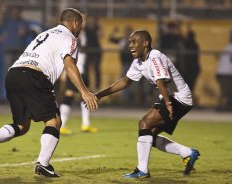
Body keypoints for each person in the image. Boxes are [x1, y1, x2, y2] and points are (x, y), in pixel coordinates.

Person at [0, 8, 98, 177]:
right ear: (76, 22)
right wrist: (85, 92)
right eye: (81, 24)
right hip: (34, 76)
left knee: (22, 125)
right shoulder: (69, 37)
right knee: (54, 120)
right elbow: (70, 65)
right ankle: (43, 164)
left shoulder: (46, 33)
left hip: (14, 74)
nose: (81, 28)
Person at [95, 30, 200, 178]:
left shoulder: (155, 56)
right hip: (170, 98)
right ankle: (188, 153)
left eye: (134, 42)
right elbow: (125, 82)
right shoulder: (138, 62)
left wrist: (168, 103)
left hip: (179, 98)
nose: (130, 45)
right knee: (149, 136)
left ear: (145, 44)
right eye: (130, 42)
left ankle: (142, 170)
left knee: (144, 123)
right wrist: (100, 95)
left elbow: (161, 81)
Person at [59, 13, 97, 135]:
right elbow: (66, 53)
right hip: (74, 70)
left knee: (85, 97)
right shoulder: (73, 34)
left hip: (82, 71)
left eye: (85, 19)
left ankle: (86, 124)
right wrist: (64, 70)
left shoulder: (85, 34)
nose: (84, 22)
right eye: (82, 20)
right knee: (69, 95)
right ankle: (61, 124)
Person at [216, 29, 232, 111]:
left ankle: (222, 107)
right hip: (226, 73)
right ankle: (221, 108)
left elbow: (218, 57)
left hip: (221, 72)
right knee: (225, 92)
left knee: (225, 92)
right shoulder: (229, 48)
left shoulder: (226, 47)